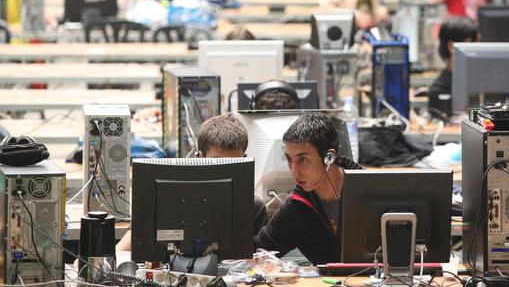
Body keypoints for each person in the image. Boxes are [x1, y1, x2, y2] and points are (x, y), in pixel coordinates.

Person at [117, 114, 269, 251]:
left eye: (234, 164)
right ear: (200, 157)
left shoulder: (253, 207)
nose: (226, 172)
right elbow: (122, 250)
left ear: (244, 159)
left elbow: (264, 261)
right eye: (218, 163)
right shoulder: (163, 198)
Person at [255, 113, 361, 265]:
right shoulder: (295, 207)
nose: (294, 171)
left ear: (329, 158)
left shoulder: (369, 192)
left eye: (302, 160)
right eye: (289, 159)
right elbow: (258, 252)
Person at [427, 17, 478, 118]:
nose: (477, 49)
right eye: (471, 43)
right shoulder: (439, 91)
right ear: (451, 46)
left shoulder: (482, 82)